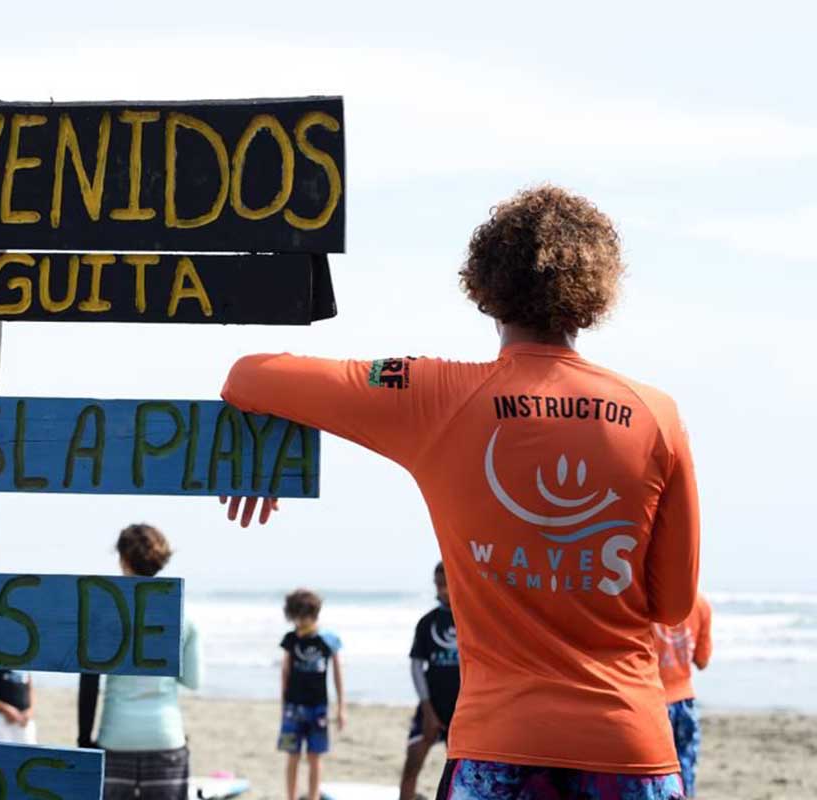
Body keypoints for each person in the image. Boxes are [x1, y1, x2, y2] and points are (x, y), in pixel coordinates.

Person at [220, 186, 699, 800]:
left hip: (497, 748)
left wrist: (267, 453)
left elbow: (249, 375)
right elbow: (672, 604)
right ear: (594, 293)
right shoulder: (657, 415)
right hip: (630, 748)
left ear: (486, 286)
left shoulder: (434, 396)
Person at [77, 524, 202, 800]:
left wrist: (84, 739)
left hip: (115, 737)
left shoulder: (105, 612)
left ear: (123, 559)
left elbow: (89, 681)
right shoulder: (183, 614)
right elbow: (194, 681)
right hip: (165, 737)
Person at [400, 563, 459, 800]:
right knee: (411, 764)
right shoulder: (428, 623)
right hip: (431, 707)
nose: (442, 590)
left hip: (463, 709)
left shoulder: (472, 620)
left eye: (446, 584)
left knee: (457, 774)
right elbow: (416, 666)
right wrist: (427, 709)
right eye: (438, 584)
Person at [278, 589, 344, 800]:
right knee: (292, 755)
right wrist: (283, 705)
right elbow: (285, 672)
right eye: (297, 617)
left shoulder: (327, 640)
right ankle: (291, 797)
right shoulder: (290, 639)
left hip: (318, 708)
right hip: (293, 708)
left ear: (315, 614)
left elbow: (337, 674)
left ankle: (313, 796)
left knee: (315, 756)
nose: (301, 621)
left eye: (305, 616)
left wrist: (341, 708)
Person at [654, 593, 712, 797]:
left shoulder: (647, 602)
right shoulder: (701, 605)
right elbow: (702, 661)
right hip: (684, 702)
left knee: (654, 777)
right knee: (685, 769)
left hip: (652, 703)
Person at [0, 669, 36, 744]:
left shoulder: (24, 660)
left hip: (23, 719)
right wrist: (6, 709)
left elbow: (30, 688)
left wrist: (30, 710)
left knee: (28, 753)